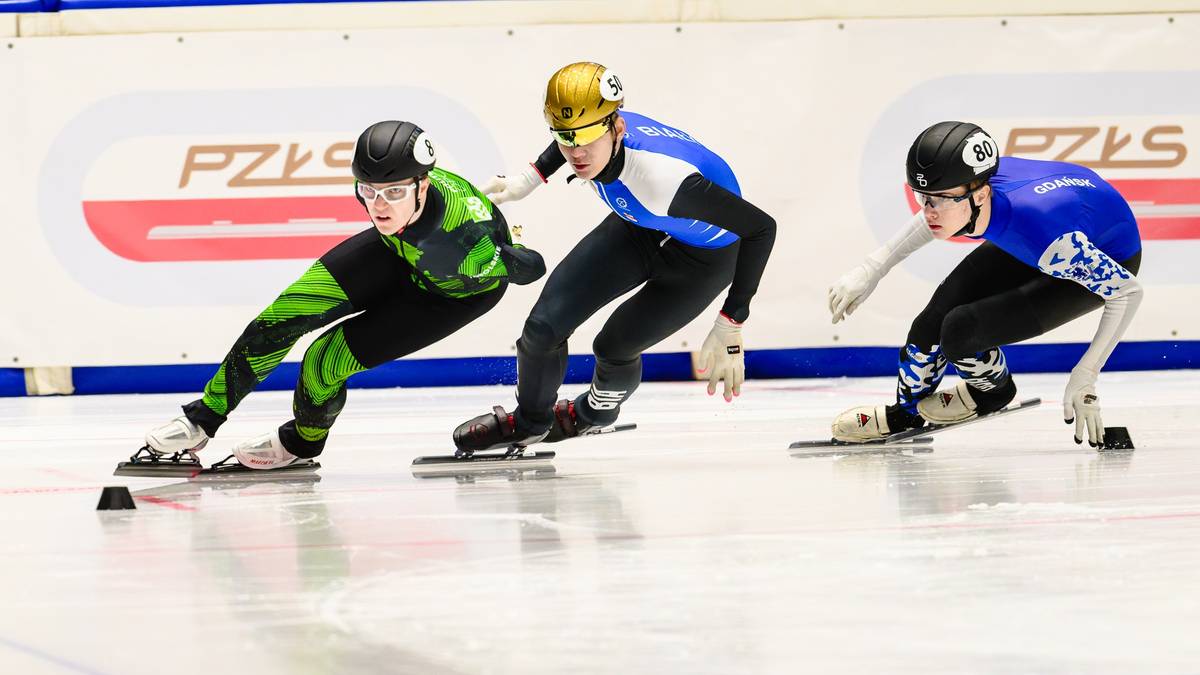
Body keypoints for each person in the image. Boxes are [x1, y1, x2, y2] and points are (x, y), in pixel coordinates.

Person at [141, 120, 545, 470]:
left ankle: (302, 443)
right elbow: (389, 207)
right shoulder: (396, 202)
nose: (378, 206)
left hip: (448, 296)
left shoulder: (466, 241)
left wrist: (509, 257)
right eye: (368, 191)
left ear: (422, 186)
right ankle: (201, 420)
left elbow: (532, 267)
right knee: (281, 318)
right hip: (396, 250)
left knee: (324, 360)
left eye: (392, 194)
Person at [452, 61, 777, 453]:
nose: (576, 152)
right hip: (640, 227)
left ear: (617, 128)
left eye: (587, 139)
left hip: (704, 261)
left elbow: (761, 228)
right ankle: (529, 423)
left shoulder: (664, 181)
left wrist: (732, 321)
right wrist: (530, 179)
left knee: (614, 347)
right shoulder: (595, 129)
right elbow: (572, 135)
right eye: (565, 138)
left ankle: (593, 415)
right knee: (542, 328)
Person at [828, 121, 1142, 446]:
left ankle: (992, 393)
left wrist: (1086, 376)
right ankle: (906, 413)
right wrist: (871, 269)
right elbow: (936, 213)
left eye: (940, 200)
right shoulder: (971, 189)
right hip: (1042, 235)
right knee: (928, 325)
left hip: (1099, 253)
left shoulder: (1048, 237)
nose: (928, 210)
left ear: (980, 193)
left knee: (960, 331)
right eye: (922, 197)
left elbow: (1128, 292)